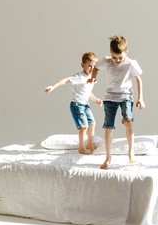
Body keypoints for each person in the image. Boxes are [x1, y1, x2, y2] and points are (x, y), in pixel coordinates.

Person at [88, 36, 146, 169]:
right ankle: (108, 158)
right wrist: (93, 78)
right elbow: (96, 67)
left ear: (126, 52)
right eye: (114, 57)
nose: (117, 60)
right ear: (110, 52)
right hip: (110, 98)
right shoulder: (107, 61)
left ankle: (131, 153)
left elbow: (138, 80)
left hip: (126, 97)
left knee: (128, 121)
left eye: (120, 57)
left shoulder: (131, 63)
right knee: (108, 127)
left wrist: (140, 98)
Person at [45, 52, 103, 154]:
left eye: (94, 66)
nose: (92, 68)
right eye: (89, 66)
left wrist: (96, 100)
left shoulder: (91, 79)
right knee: (83, 126)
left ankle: (90, 144)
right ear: (83, 65)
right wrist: (53, 86)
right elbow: (65, 80)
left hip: (85, 105)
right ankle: (81, 148)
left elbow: (87, 93)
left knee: (92, 124)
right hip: (77, 105)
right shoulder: (79, 77)